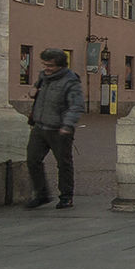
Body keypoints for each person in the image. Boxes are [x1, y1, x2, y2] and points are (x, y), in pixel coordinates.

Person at [24, 48, 84, 209]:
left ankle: (66, 196)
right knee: (32, 160)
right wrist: (32, 92)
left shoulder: (70, 81)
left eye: (50, 65)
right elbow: (34, 93)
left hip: (59, 129)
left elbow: (76, 105)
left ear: (60, 66)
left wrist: (67, 125)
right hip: (40, 126)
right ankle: (41, 194)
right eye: (45, 64)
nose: (47, 68)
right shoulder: (43, 78)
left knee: (63, 164)